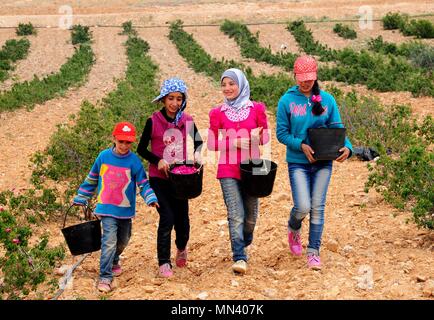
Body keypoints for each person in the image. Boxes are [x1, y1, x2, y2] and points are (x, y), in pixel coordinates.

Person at [276, 55, 353, 270]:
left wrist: (348, 147)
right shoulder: (287, 101)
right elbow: (281, 133)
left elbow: (337, 127)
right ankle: (294, 227)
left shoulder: (327, 100)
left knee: (318, 207)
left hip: (323, 161)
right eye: (301, 78)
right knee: (303, 206)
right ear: (295, 76)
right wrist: (300, 145)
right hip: (298, 162)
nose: (305, 82)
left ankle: (314, 252)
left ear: (315, 76)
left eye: (309, 78)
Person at [72, 121, 159, 293]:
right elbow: (92, 179)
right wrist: (81, 197)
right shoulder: (103, 157)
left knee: (124, 240)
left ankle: (114, 259)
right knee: (109, 241)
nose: (124, 145)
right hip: (106, 208)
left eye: (128, 142)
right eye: (121, 141)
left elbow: (143, 183)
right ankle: (105, 276)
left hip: (125, 210)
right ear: (114, 139)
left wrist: (150, 198)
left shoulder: (134, 161)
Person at [137, 77, 203, 278]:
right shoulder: (153, 121)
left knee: (182, 220)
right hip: (159, 178)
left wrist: (198, 155)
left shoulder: (188, 120)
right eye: (171, 98)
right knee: (167, 217)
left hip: (181, 179)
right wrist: (158, 160)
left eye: (179, 99)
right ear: (163, 99)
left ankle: (181, 247)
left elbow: (198, 142)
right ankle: (164, 262)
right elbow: (141, 148)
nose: (175, 103)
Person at [208, 68, 269, 275]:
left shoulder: (257, 109)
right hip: (227, 169)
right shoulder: (217, 113)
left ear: (241, 84)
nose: (227, 88)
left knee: (250, 217)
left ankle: (244, 240)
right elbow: (210, 143)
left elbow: (266, 138)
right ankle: (239, 256)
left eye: (231, 84)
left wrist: (256, 138)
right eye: (224, 84)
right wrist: (235, 141)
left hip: (252, 170)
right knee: (236, 215)